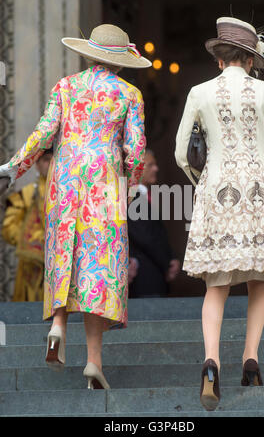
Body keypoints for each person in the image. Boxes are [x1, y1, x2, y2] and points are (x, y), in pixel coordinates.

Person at [0, 24, 151, 389]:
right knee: (98, 268)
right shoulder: (130, 94)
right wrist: (130, 184)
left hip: (65, 177)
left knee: (64, 250)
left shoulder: (65, 87)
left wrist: (12, 167)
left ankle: (57, 326)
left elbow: (43, 133)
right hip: (105, 183)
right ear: (122, 60)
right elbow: (136, 150)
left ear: (88, 53)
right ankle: (94, 362)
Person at [175, 16, 264, 411]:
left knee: (217, 285)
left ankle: (211, 364)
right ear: (249, 58)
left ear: (219, 59)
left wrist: (204, 182)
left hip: (217, 193)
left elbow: (181, 154)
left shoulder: (198, 92)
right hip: (262, 194)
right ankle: (251, 361)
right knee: (259, 283)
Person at [2, 149, 53, 301]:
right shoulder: (26, 194)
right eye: (45, 160)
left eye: (53, 160)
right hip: (31, 267)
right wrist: (32, 242)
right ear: (37, 164)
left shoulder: (70, 194)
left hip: (60, 264)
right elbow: (9, 228)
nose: (50, 164)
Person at [128, 149, 180, 298]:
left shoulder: (142, 196)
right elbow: (146, 237)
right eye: (150, 165)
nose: (156, 168)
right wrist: (168, 263)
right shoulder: (132, 196)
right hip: (144, 279)